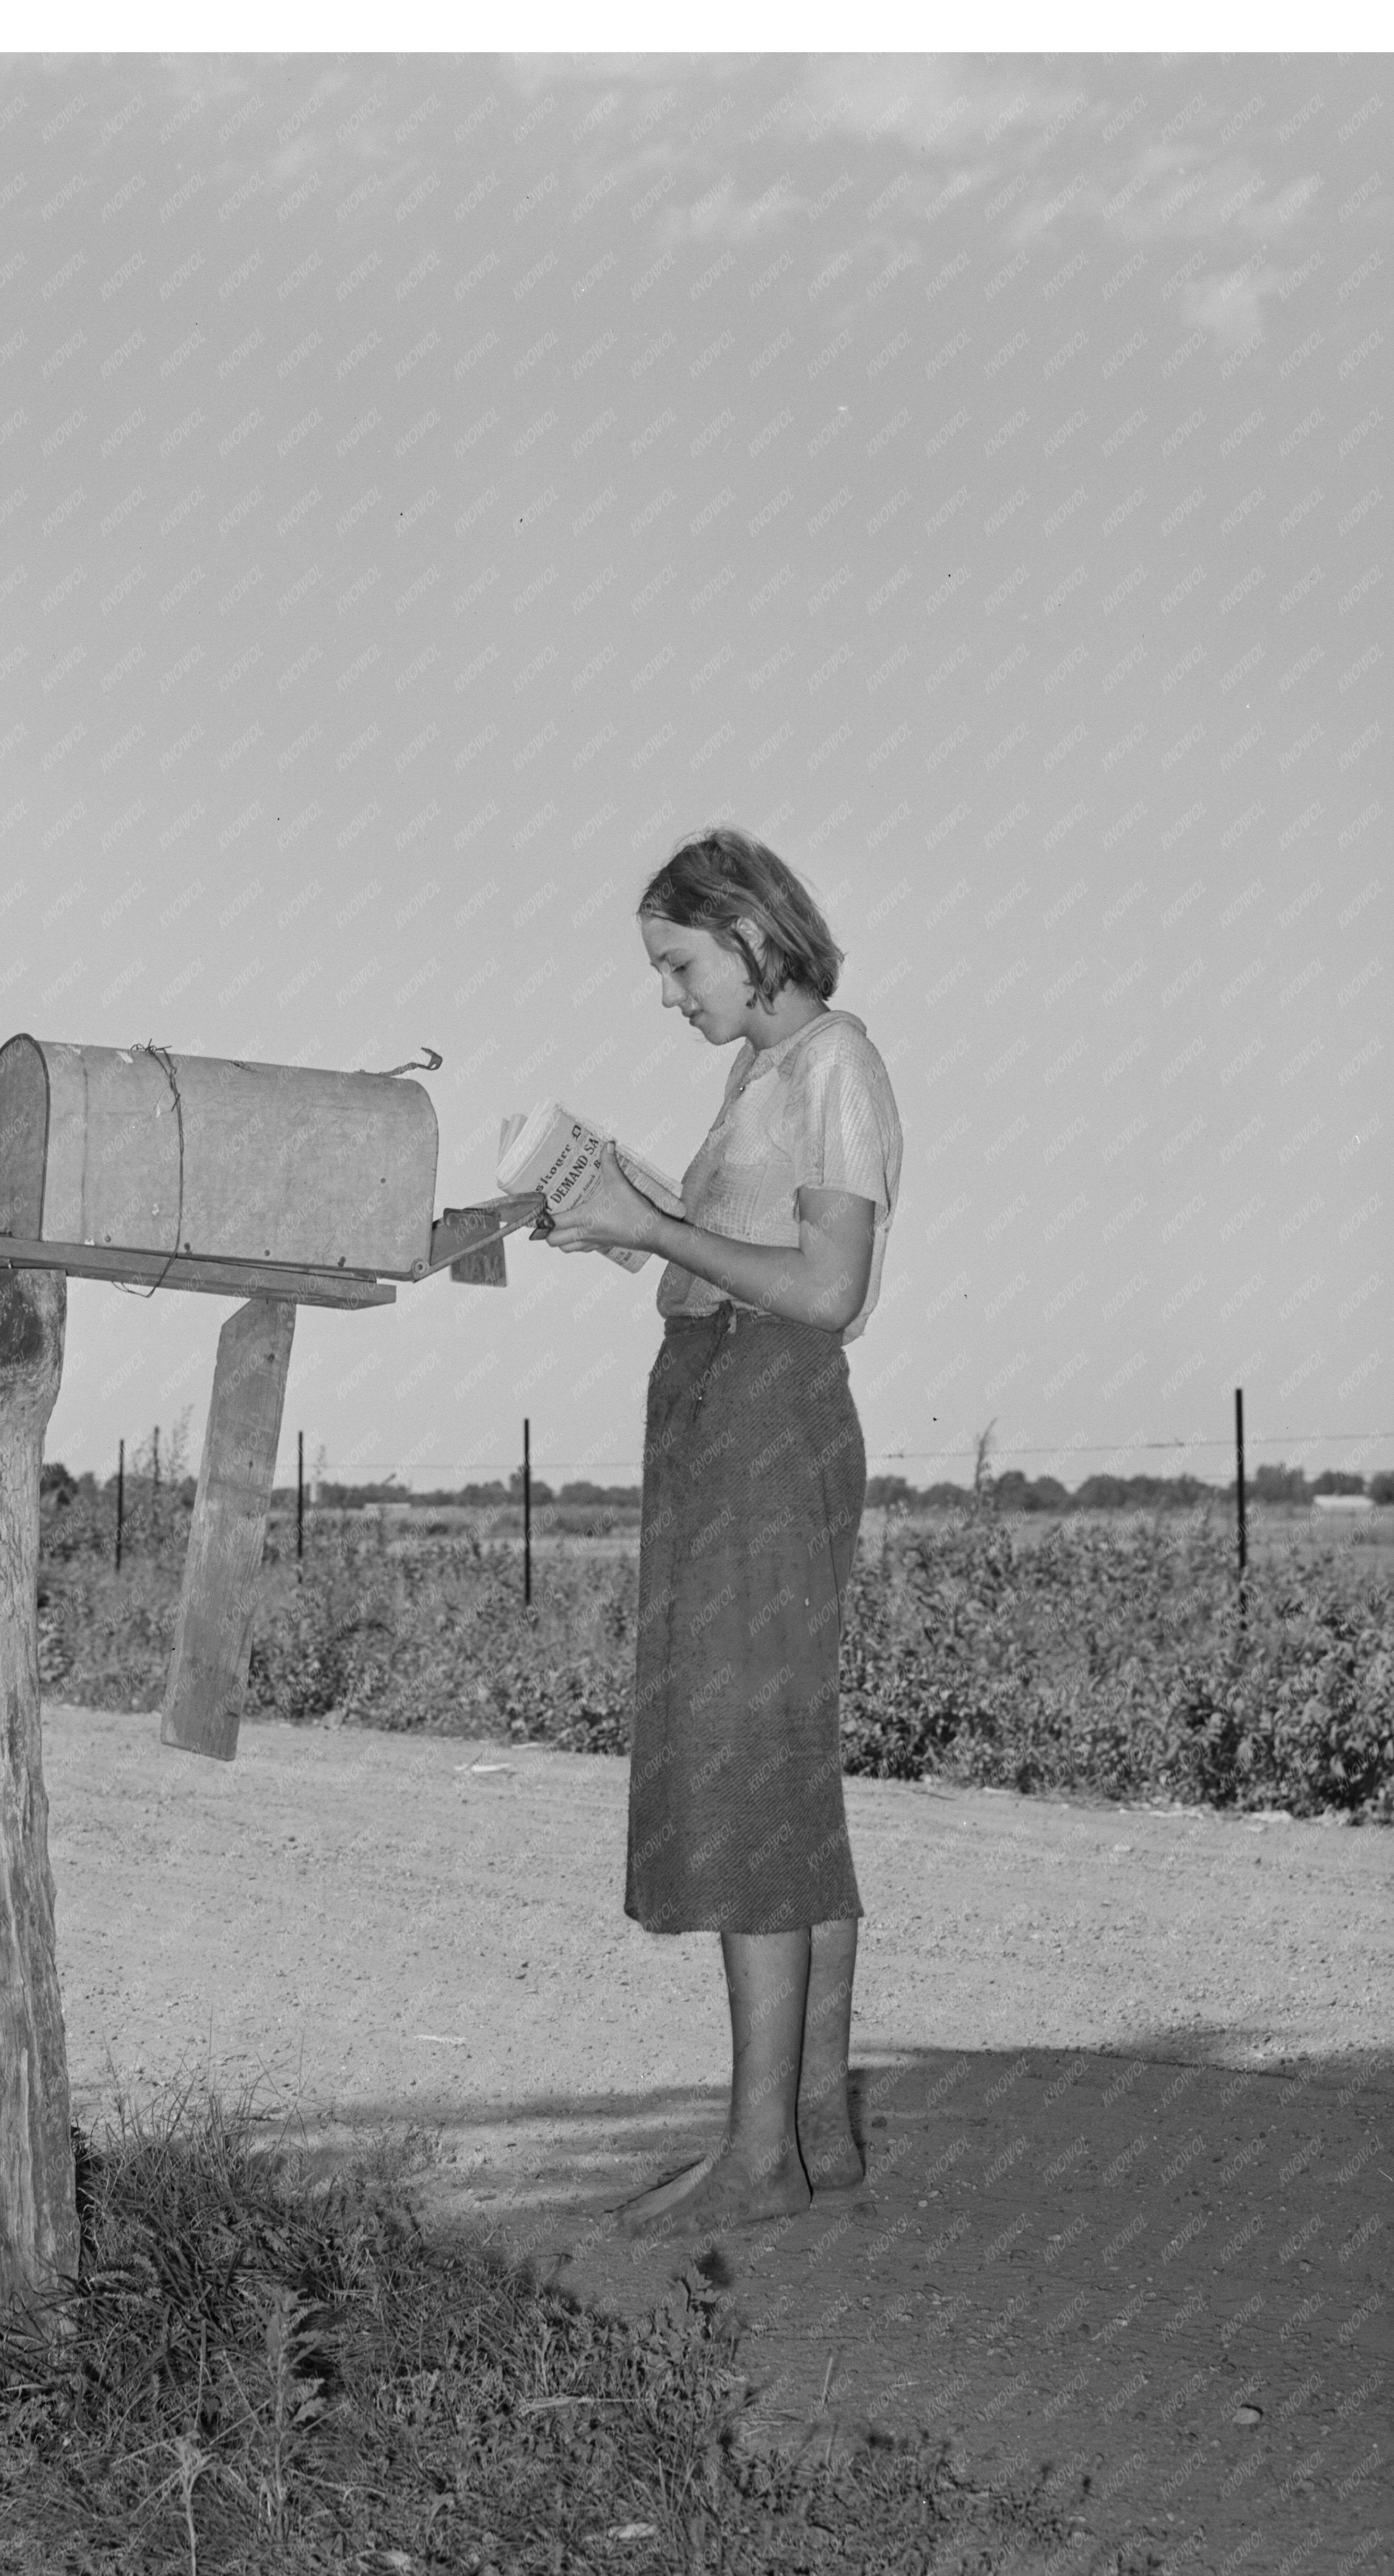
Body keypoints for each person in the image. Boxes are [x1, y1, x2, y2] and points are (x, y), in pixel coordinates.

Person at [534, 826, 902, 2237]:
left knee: (753, 1774)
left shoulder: (835, 1065)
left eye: (678, 964)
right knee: (774, 1767)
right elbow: (735, 1247)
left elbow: (823, 1286)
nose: (669, 994)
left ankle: (755, 2157)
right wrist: (622, 1221)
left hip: (766, 1410)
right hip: (716, 1401)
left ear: (751, 938)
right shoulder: (767, 1071)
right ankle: (810, 2128)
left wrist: (659, 1228)